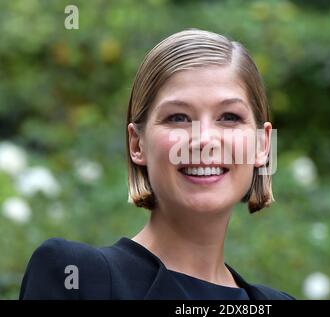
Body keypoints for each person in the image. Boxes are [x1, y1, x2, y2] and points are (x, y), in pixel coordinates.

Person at [19, 29, 294, 300]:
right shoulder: (78, 278)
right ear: (137, 144)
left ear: (262, 145)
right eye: (178, 117)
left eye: (230, 117)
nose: (205, 140)